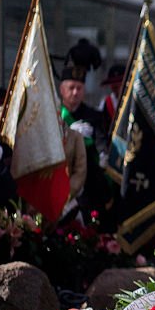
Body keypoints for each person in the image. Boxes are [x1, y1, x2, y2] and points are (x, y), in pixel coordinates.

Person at [58, 66, 112, 222]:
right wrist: (69, 133)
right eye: (71, 88)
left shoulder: (94, 115)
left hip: (89, 184)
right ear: (62, 90)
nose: (75, 92)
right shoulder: (55, 115)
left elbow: (102, 142)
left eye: (79, 88)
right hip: (61, 179)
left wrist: (102, 153)